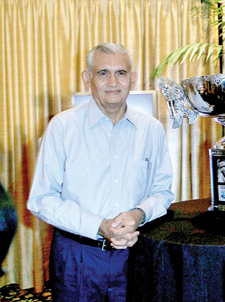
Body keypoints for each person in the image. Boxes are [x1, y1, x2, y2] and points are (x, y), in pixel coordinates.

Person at [27, 43, 174, 302]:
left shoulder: (151, 129)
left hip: (135, 253)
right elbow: (42, 199)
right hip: (77, 256)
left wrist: (139, 214)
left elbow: (162, 192)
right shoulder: (62, 127)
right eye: (103, 73)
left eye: (121, 73)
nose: (113, 82)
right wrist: (100, 226)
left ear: (133, 79)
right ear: (87, 79)